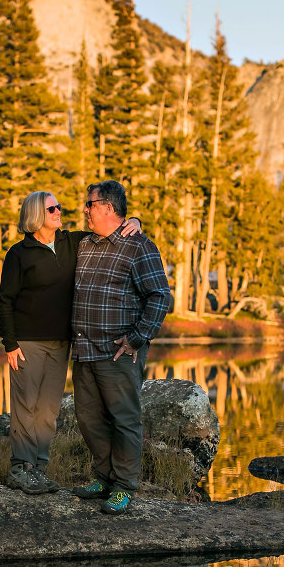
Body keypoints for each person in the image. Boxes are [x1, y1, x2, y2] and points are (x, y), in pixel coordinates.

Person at [0, 191, 141, 495]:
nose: (60, 211)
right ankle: (21, 468)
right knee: (26, 406)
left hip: (62, 343)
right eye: (52, 208)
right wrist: (10, 343)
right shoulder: (19, 253)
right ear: (37, 214)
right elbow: (5, 301)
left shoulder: (72, 242)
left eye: (59, 206)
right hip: (27, 343)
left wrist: (136, 221)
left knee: (48, 410)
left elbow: (109, 227)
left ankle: (39, 468)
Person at [71, 180, 171, 514]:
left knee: (124, 419)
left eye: (90, 204)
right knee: (88, 418)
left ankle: (125, 486)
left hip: (118, 353)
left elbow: (159, 295)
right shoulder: (84, 244)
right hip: (84, 350)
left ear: (108, 208)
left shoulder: (139, 246)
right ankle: (104, 476)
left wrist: (138, 337)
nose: (85, 210)